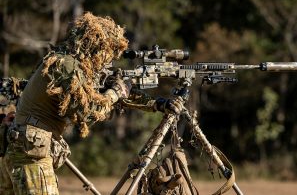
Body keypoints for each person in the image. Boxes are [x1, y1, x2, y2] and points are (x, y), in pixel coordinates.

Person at [0, 12, 183, 195]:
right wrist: (116, 92)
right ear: (96, 45)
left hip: (23, 148)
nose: (109, 59)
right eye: (108, 51)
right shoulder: (67, 66)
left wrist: (157, 104)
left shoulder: (65, 60)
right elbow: (88, 111)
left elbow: (110, 96)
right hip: (31, 153)